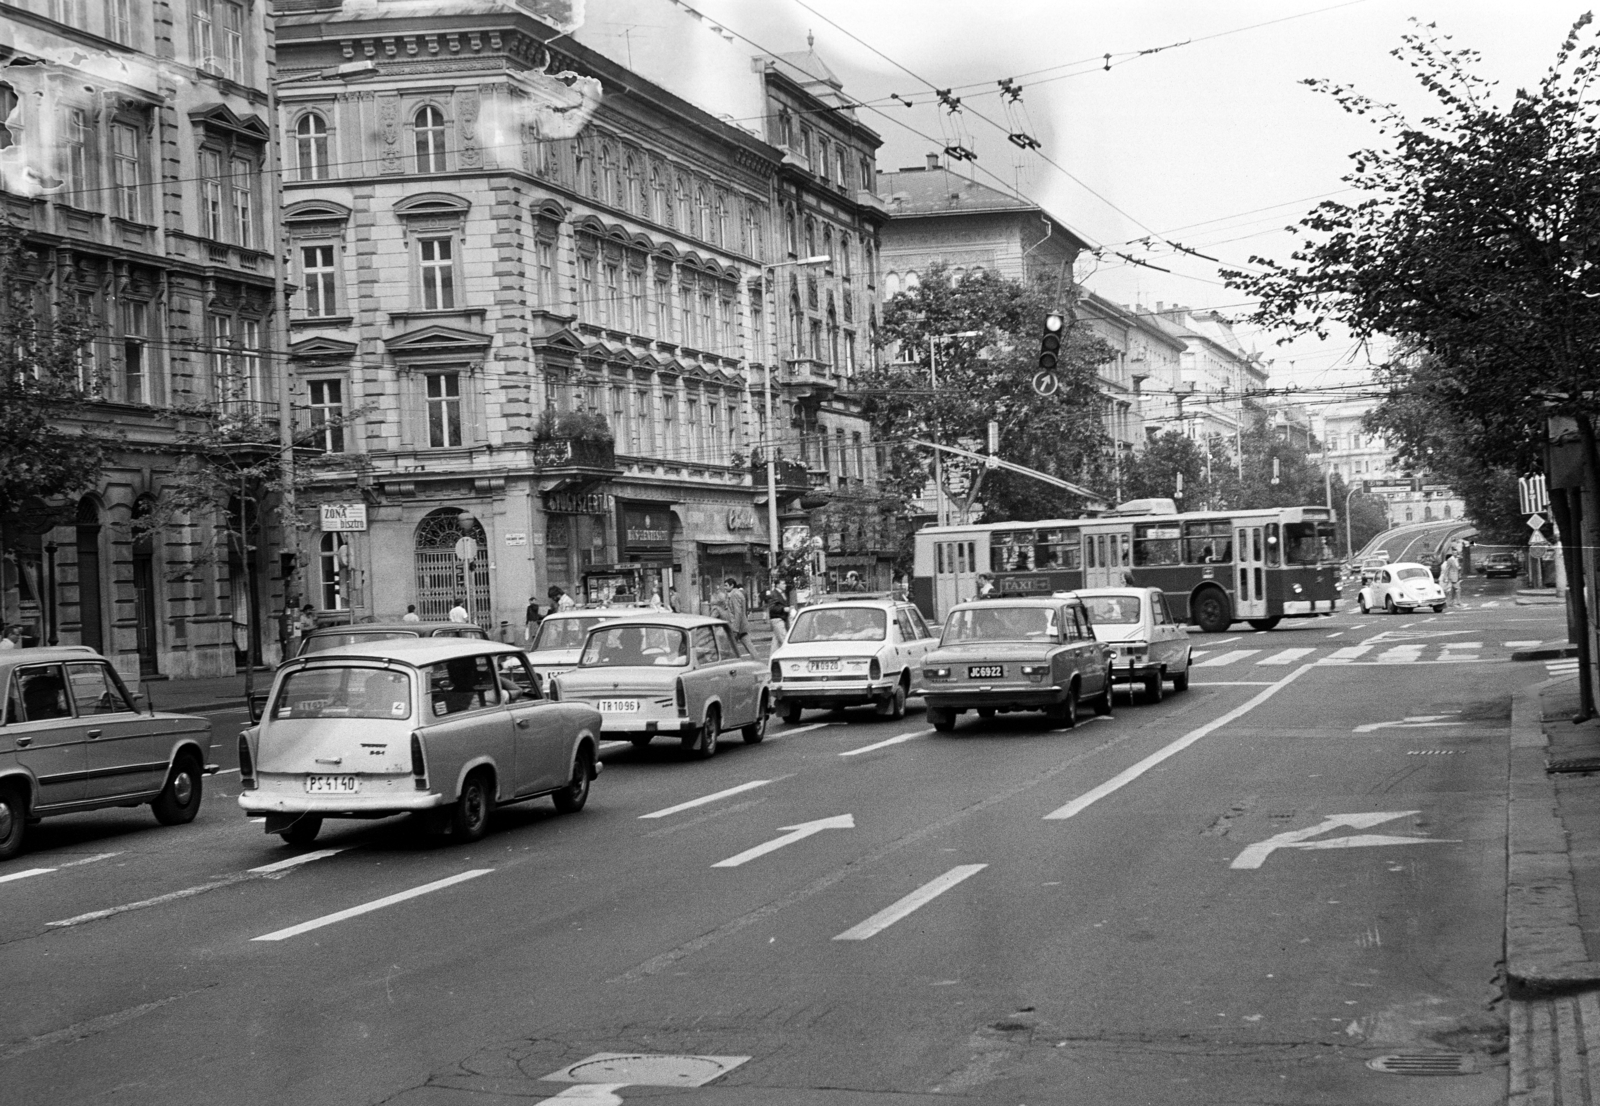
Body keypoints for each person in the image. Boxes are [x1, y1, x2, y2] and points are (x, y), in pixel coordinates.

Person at [723, 577, 749, 643]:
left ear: (732, 585)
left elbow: (737, 612)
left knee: (730, 646)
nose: (724, 587)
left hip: (736, 626)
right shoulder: (734, 594)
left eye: (726, 585)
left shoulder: (735, 595)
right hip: (739, 625)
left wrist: (735, 629)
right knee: (748, 644)